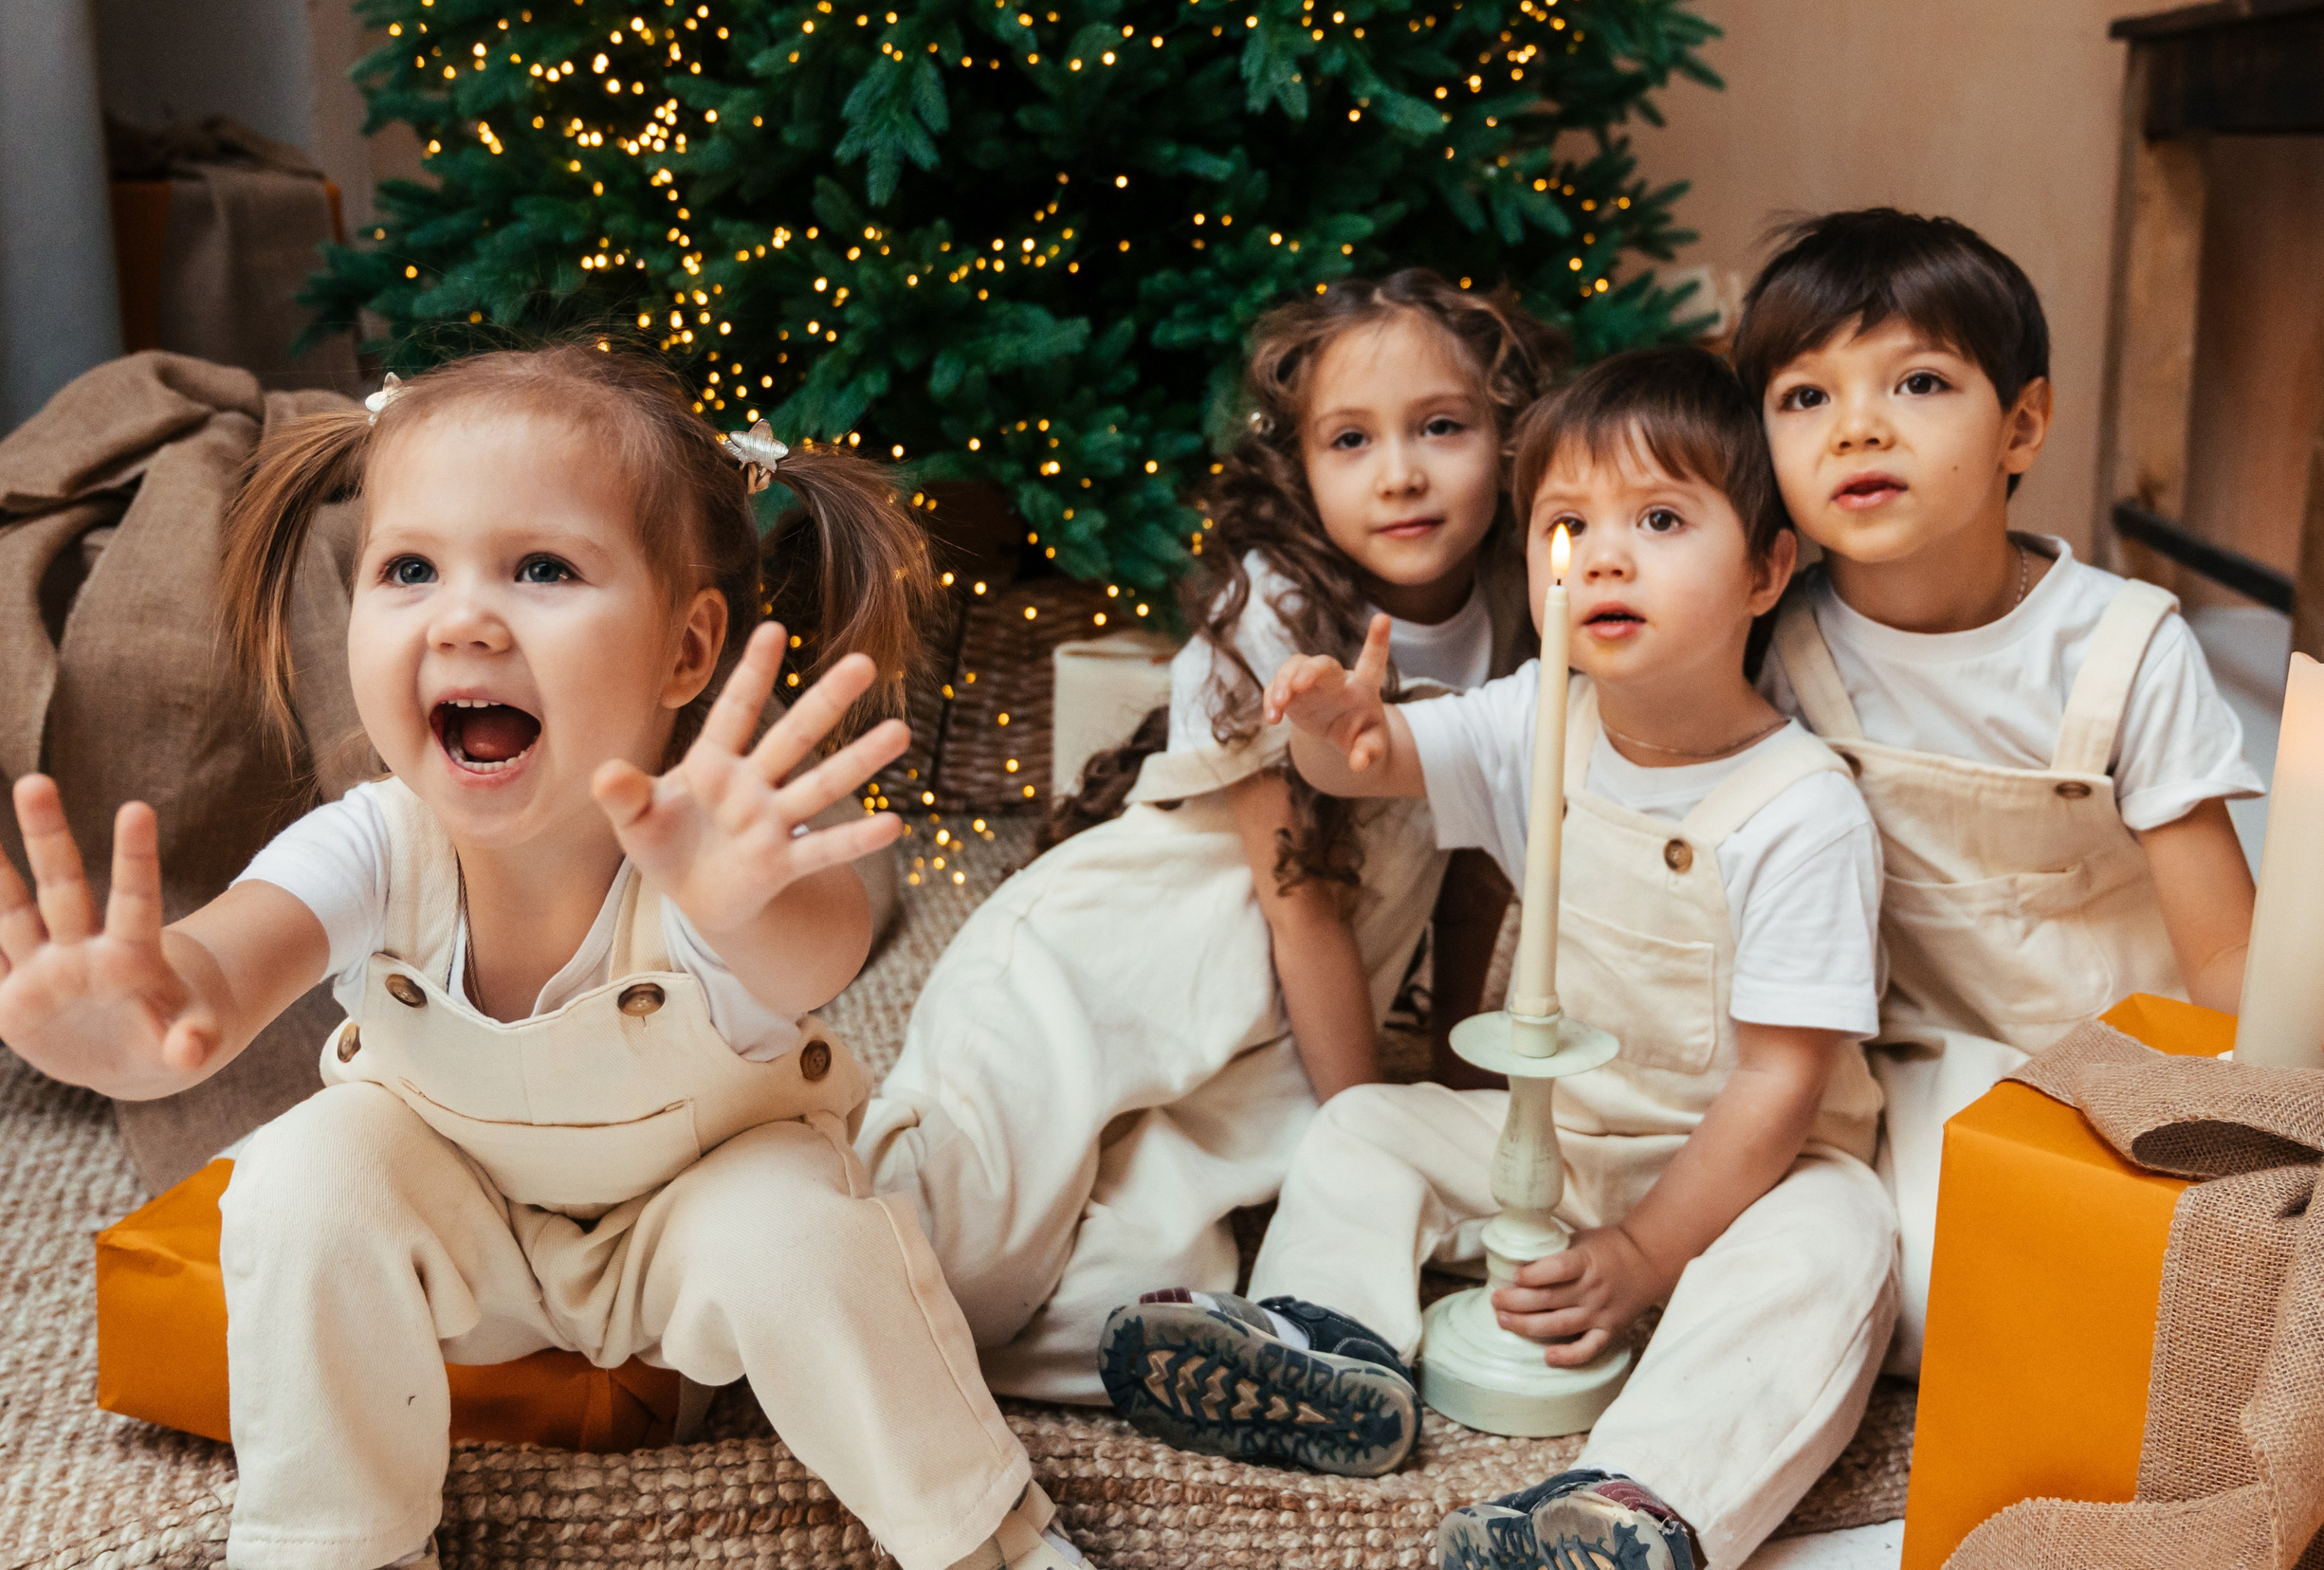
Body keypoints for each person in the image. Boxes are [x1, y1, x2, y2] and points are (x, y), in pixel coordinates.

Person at [0, 345, 1090, 1570]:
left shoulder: (706, 849)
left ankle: (983, 1538)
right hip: (459, 1243)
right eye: (410, 568)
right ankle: (339, 1546)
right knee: (300, 1171)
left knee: (804, 1228)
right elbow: (214, 980)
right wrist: (141, 1016)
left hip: (681, 1256)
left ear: (688, 653)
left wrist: (744, 898)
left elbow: (818, 958)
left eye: (541, 568)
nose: (465, 616)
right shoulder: (377, 838)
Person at [1104, 348, 1896, 1570]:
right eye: (1569, 525)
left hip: (1751, 1173)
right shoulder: (1537, 715)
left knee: (1840, 1246)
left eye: (1664, 519)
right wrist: (1334, 731)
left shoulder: (1801, 811)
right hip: (1563, 1139)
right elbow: (1375, 764)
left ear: (1765, 570)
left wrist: (1641, 1258)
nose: (1609, 555)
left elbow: (1778, 1088)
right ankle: (1327, 1347)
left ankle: (1634, 1502)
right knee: (1367, 1125)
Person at [857, 271, 1565, 1403]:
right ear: (1297, 467)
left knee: (1149, 1278)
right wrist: (1365, 1136)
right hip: (1097, 975)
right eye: (1350, 440)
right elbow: (1304, 906)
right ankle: (696, 1314)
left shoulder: (1527, 612)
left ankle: (1182, 1368)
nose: (1401, 473)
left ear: (1509, 437)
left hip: (1256, 1052)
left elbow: (1472, 879)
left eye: (1443, 426)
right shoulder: (1271, 610)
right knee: (948, 1258)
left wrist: (1443, 1101)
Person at [1736, 209, 2263, 1372]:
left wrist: (2257, 1117)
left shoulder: (2121, 648)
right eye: (1804, 398)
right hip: (1922, 1055)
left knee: (2201, 1292)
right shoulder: (1778, 645)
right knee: (1901, 1298)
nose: (1856, 428)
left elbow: (2224, 959)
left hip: (2132, 1047)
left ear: (2021, 425)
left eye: (1918, 382)